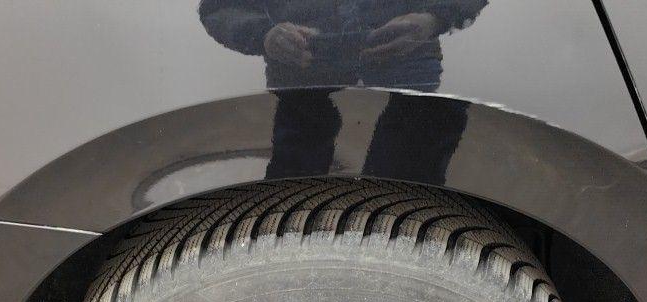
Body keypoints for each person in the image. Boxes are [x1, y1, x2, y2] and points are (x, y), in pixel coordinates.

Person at [199, 1, 489, 182]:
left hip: (412, 91)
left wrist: (433, 19)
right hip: (304, 99)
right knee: (295, 216)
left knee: (410, 208)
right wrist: (263, 34)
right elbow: (219, 7)